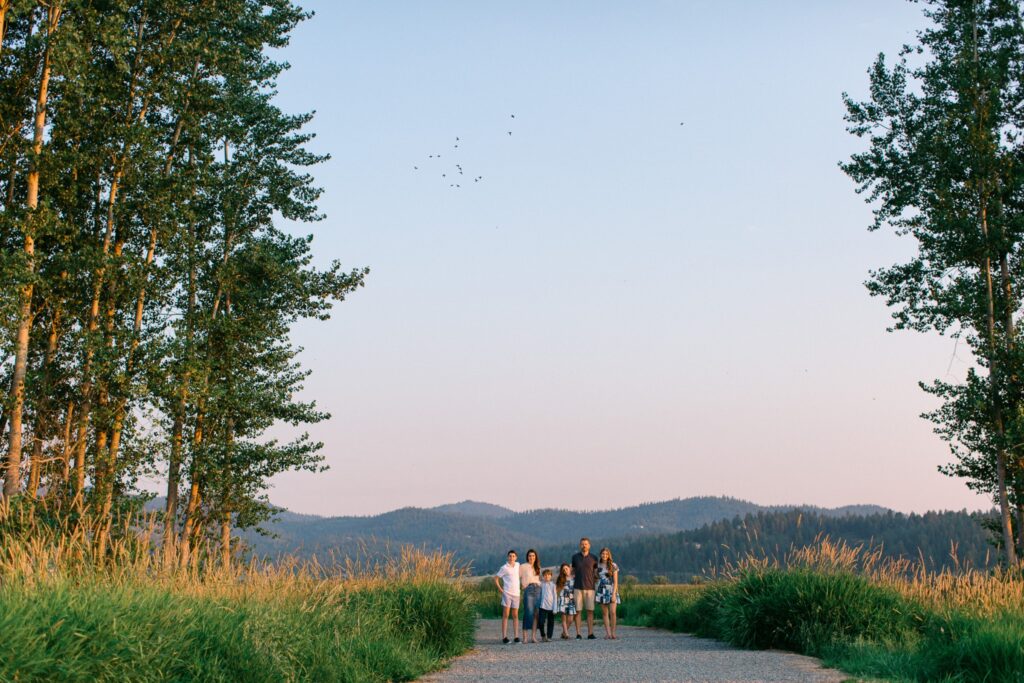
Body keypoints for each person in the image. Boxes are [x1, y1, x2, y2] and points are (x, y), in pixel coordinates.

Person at [571, 537, 599, 639]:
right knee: (578, 611)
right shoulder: (575, 557)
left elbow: (596, 573)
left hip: (590, 588)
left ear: (589, 545)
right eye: (582, 544)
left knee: (590, 611)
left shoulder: (594, 558)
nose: (584, 546)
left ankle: (590, 633)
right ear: (580, 545)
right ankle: (578, 634)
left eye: (586, 544)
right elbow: (572, 571)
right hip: (577, 587)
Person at [494, 550, 521, 643]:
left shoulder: (518, 565)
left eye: (513, 556)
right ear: (507, 557)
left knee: (515, 615)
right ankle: (504, 637)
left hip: (516, 594)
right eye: (510, 556)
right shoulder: (504, 568)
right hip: (507, 594)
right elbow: (496, 578)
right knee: (506, 615)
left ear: (516, 557)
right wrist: (501, 590)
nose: (511, 557)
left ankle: (516, 637)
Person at [595, 547, 621, 639]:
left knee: (613, 612)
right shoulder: (597, 566)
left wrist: (614, 594)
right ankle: (608, 633)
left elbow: (616, 581)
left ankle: (613, 632)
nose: (604, 555)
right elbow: (596, 577)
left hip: (611, 590)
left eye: (606, 554)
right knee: (605, 613)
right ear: (600, 555)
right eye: (603, 554)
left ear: (609, 555)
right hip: (601, 590)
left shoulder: (613, 565)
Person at [519, 549, 542, 643]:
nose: (531, 557)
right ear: (527, 557)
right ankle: (525, 637)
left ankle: (533, 637)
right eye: (529, 556)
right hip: (528, 589)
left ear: (535, 557)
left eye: (533, 555)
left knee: (536, 613)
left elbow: (539, 579)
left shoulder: (538, 567)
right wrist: (522, 586)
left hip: (538, 589)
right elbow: (517, 577)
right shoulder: (523, 566)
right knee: (528, 612)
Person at [556, 562, 577, 639]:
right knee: (564, 618)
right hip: (563, 599)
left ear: (569, 568)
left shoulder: (574, 577)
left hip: (571, 599)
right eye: (563, 570)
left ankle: (563, 633)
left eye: (566, 569)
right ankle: (567, 634)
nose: (565, 571)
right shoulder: (561, 578)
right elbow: (557, 590)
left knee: (571, 619)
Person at [537, 568, 557, 642]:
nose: (547, 577)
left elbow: (555, 596)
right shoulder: (541, 584)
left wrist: (555, 608)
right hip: (542, 606)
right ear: (543, 576)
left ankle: (549, 636)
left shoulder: (553, 585)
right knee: (541, 622)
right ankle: (543, 635)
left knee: (550, 622)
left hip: (551, 607)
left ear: (551, 576)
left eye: (548, 575)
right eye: (545, 575)